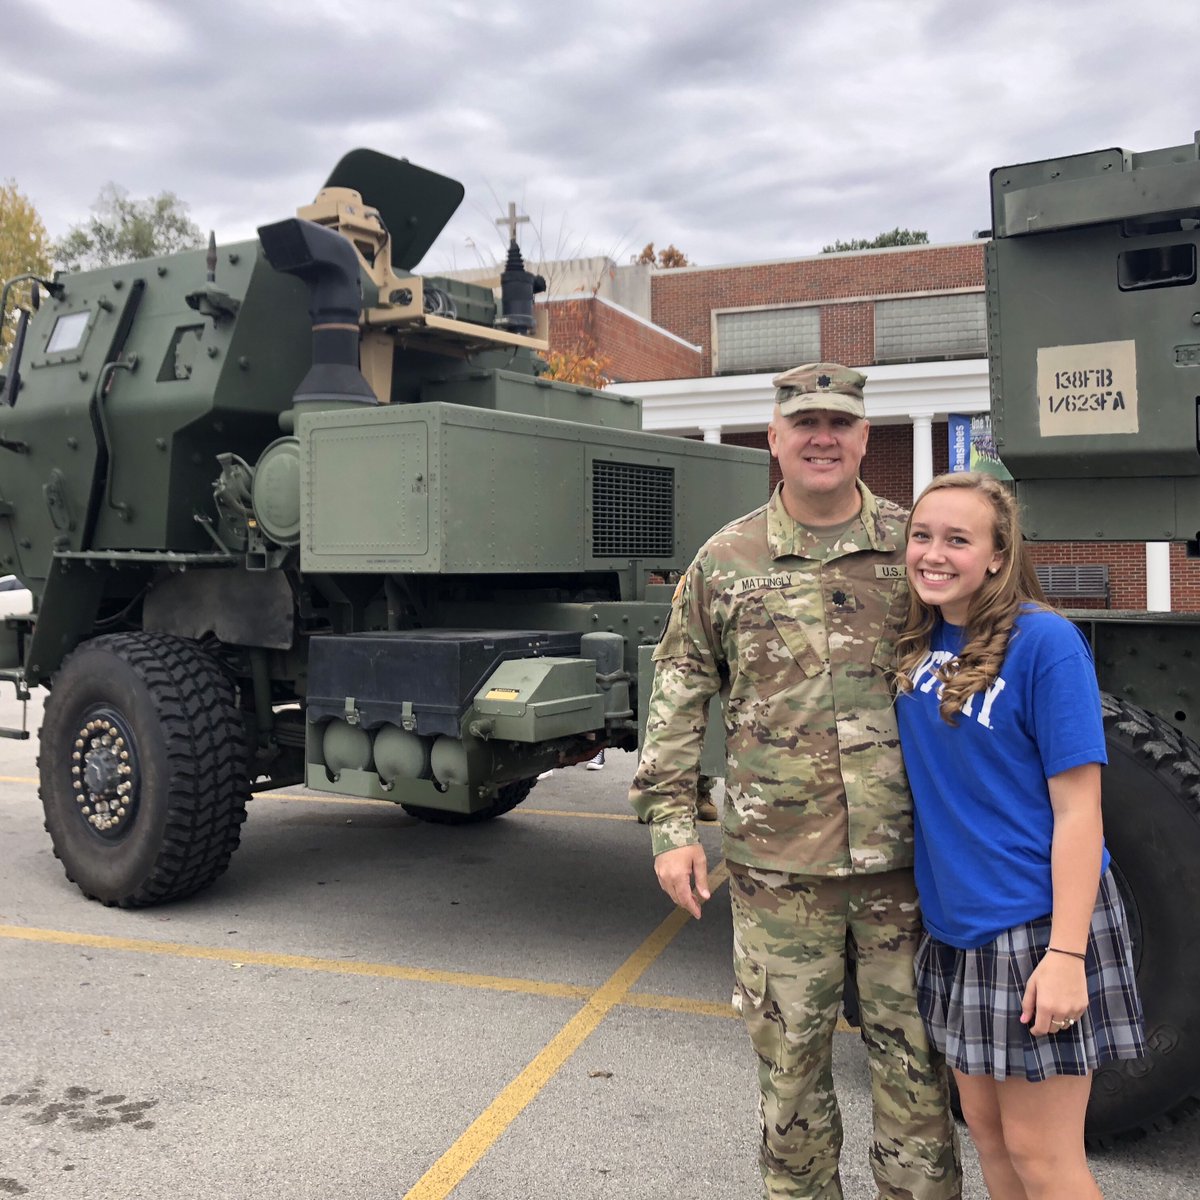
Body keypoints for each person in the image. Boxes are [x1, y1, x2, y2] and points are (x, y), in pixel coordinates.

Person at [630, 363, 961, 1200]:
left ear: (864, 439)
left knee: (919, 1076)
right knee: (791, 1080)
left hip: (908, 864)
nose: (823, 437)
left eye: (840, 423)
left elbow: (985, 669)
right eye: (804, 422)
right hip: (779, 873)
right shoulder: (727, 559)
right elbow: (678, 687)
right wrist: (672, 828)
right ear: (773, 439)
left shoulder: (914, 551)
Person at [895, 472, 1145, 1200]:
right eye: (922, 536)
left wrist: (1066, 954)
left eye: (957, 540)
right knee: (992, 1142)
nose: (933, 554)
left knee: (1045, 1159)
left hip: (1036, 927)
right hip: (955, 928)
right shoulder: (921, 639)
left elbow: (1079, 812)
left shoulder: (1047, 644)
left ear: (999, 555)